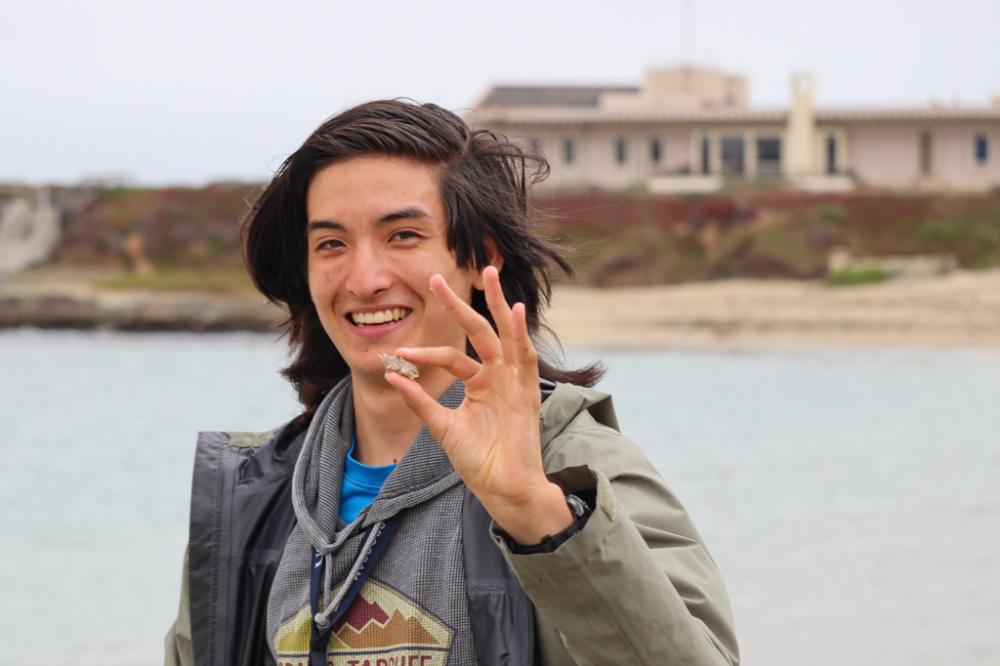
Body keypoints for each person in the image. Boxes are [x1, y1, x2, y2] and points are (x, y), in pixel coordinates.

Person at [165, 100, 738, 666]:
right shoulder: (257, 496)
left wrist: (537, 516)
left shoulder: (572, 469)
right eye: (331, 244)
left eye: (404, 235)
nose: (364, 280)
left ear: (479, 256)